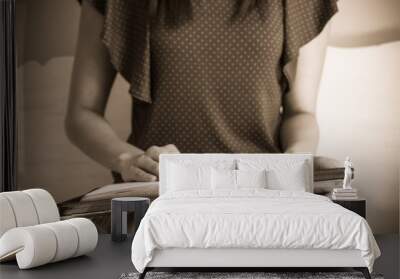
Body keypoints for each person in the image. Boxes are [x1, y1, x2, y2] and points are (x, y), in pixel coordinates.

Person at [66, 0, 337, 183]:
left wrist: (296, 159)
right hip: (158, 193)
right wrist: (128, 159)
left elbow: (301, 113)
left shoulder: (304, 3)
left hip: (263, 191)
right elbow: (82, 113)